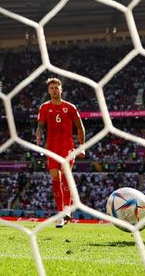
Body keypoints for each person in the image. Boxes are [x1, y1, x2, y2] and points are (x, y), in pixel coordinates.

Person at [36, 77, 86, 228]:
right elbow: (40, 126)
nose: (54, 90)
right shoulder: (44, 108)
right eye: (51, 88)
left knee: (66, 177)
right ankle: (60, 214)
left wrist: (82, 146)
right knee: (55, 179)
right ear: (48, 91)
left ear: (61, 89)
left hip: (67, 148)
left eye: (56, 88)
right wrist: (38, 135)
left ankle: (67, 210)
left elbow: (80, 127)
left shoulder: (70, 107)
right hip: (51, 148)